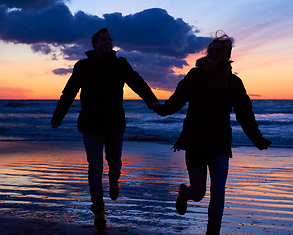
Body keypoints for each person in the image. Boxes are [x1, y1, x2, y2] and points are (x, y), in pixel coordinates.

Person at [155, 31, 271, 235]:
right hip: (195, 139)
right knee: (199, 193)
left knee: (218, 190)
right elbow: (177, 99)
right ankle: (185, 192)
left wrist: (257, 138)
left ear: (227, 55)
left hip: (220, 140)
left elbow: (244, 113)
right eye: (212, 50)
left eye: (219, 50)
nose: (214, 53)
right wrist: (160, 109)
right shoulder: (195, 75)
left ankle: (213, 231)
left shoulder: (233, 82)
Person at [51, 28, 159, 230]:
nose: (108, 42)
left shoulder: (120, 64)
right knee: (95, 167)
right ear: (95, 43)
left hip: (114, 124)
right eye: (104, 39)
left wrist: (151, 101)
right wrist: (58, 116)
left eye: (110, 39)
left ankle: (114, 180)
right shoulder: (83, 66)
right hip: (90, 124)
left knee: (115, 163)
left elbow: (137, 82)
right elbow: (69, 91)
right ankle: (99, 210)